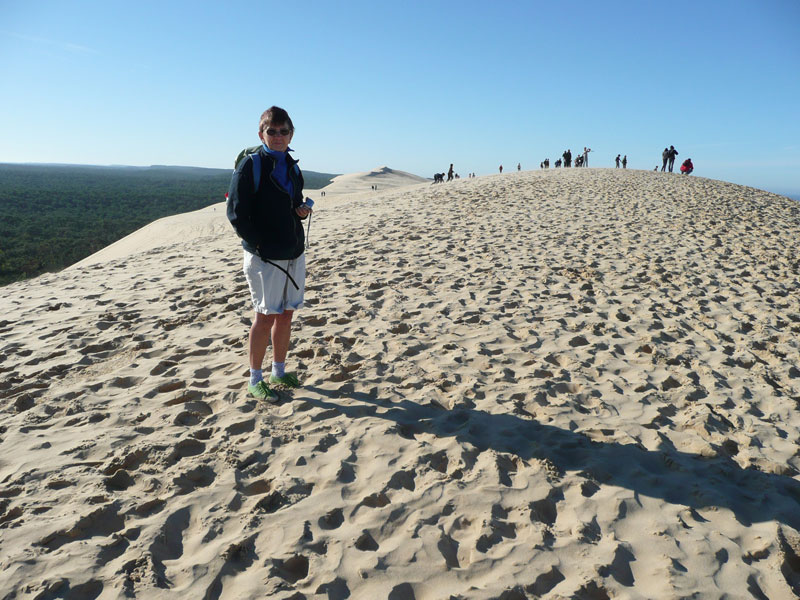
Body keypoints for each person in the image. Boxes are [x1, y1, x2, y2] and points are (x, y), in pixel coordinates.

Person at [227, 106, 312, 401]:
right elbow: (237, 214)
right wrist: (259, 245)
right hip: (265, 256)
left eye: (284, 131)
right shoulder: (251, 166)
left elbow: (293, 203)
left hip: (293, 251)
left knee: (286, 314)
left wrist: (300, 211)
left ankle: (278, 371)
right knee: (264, 316)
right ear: (261, 133)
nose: (278, 136)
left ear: (291, 134)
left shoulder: (292, 165)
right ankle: (255, 378)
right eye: (272, 131)